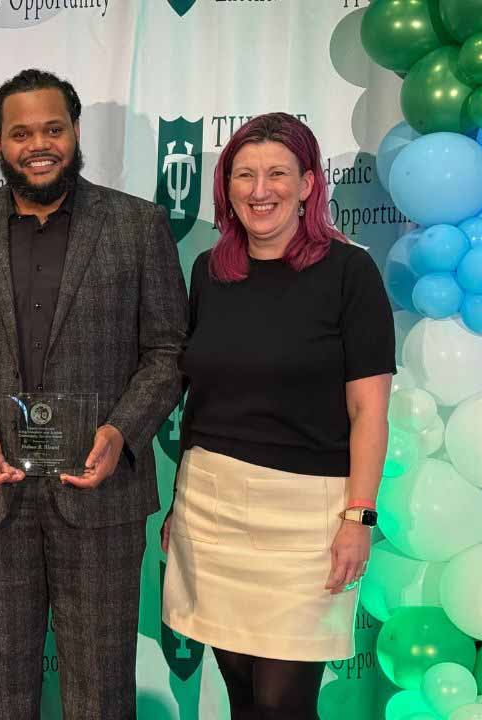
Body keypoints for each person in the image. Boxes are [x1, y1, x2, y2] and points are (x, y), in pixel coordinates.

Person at [0, 69, 188, 718]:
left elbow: (168, 351)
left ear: (76, 131)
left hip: (100, 492)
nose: (40, 144)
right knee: (3, 692)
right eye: (22, 132)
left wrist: (120, 433)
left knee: (101, 686)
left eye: (53, 129)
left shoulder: (137, 226)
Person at [161, 112, 394, 720]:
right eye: (244, 174)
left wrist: (359, 518)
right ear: (227, 186)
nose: (259, 190)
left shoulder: (350, 273)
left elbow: (368, 410)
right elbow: (199, 399)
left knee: (283, 707)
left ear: (309, 184)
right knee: (244, 702)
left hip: (307, 520)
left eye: (277, 174)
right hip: (208, 506)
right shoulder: (209, 273)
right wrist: (178, 508)